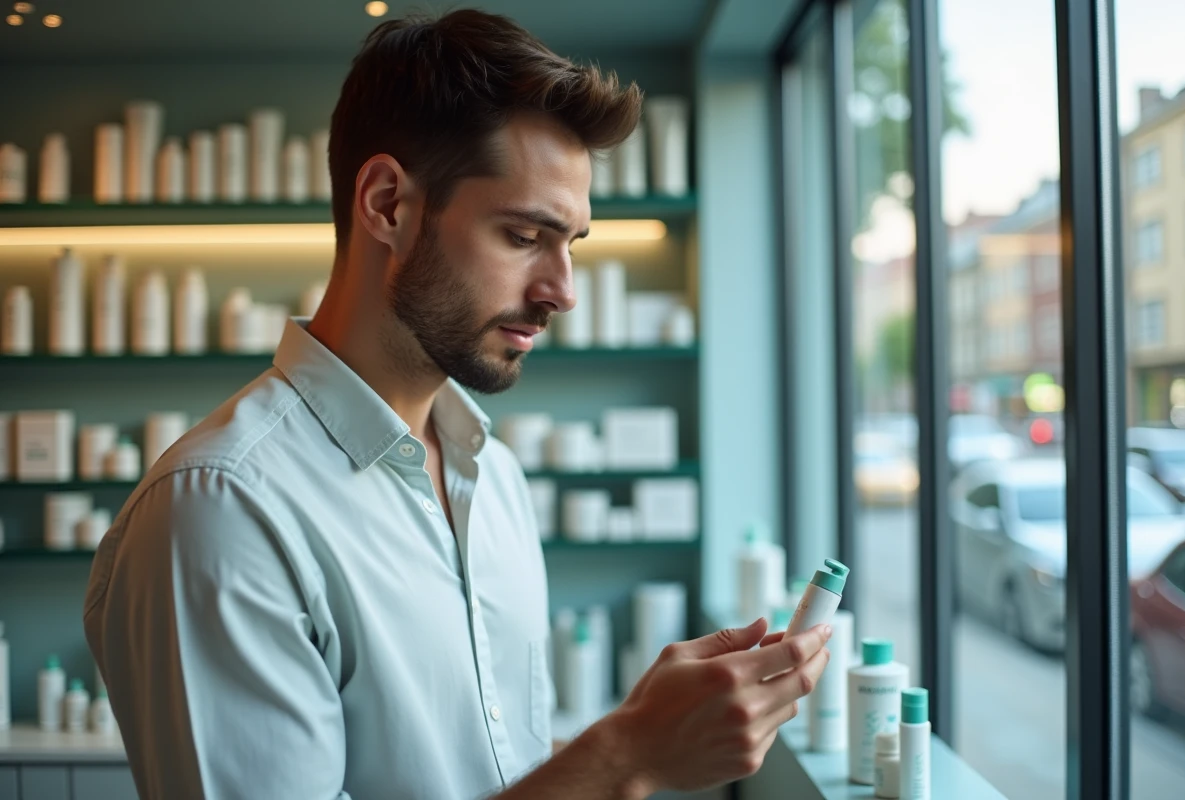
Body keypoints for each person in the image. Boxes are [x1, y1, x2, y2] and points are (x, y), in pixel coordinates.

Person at [82, 9, 831, 799]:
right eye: (522, 236)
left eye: (570, 243)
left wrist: (641, 736)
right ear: (387, 205)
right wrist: (625, 759)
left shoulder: (494, 480)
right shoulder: (222, 511)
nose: (561, 292)